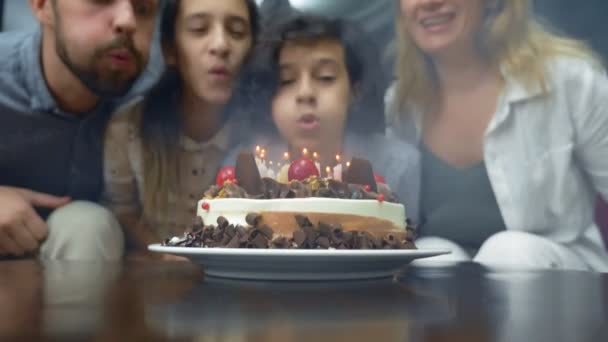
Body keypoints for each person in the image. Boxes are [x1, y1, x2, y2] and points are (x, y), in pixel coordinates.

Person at [386, 0, 608, 271]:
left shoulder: (571, 80)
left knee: (511, 253)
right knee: (429, 256)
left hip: (565, 284)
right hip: (449, 299)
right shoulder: (398, 108)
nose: (428, 3)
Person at [0, 0, 160, 260]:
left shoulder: (159, 96)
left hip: (101, 275)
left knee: (86, 224)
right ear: (42, 6)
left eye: (143, 9)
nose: (128, 21)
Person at [102, 0, 260, 258]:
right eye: (199, 29)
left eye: (237, 32)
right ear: (170, 49)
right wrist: (167, 253)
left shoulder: (261, 138)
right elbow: (122, 211)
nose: (220, 45)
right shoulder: (129, 128)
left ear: (251, 50)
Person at [225, 15, 420, 221]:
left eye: (325, 77)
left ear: (355, 90)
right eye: (287, 80)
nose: (305, 93)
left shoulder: (397, 166)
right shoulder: (245, 169)